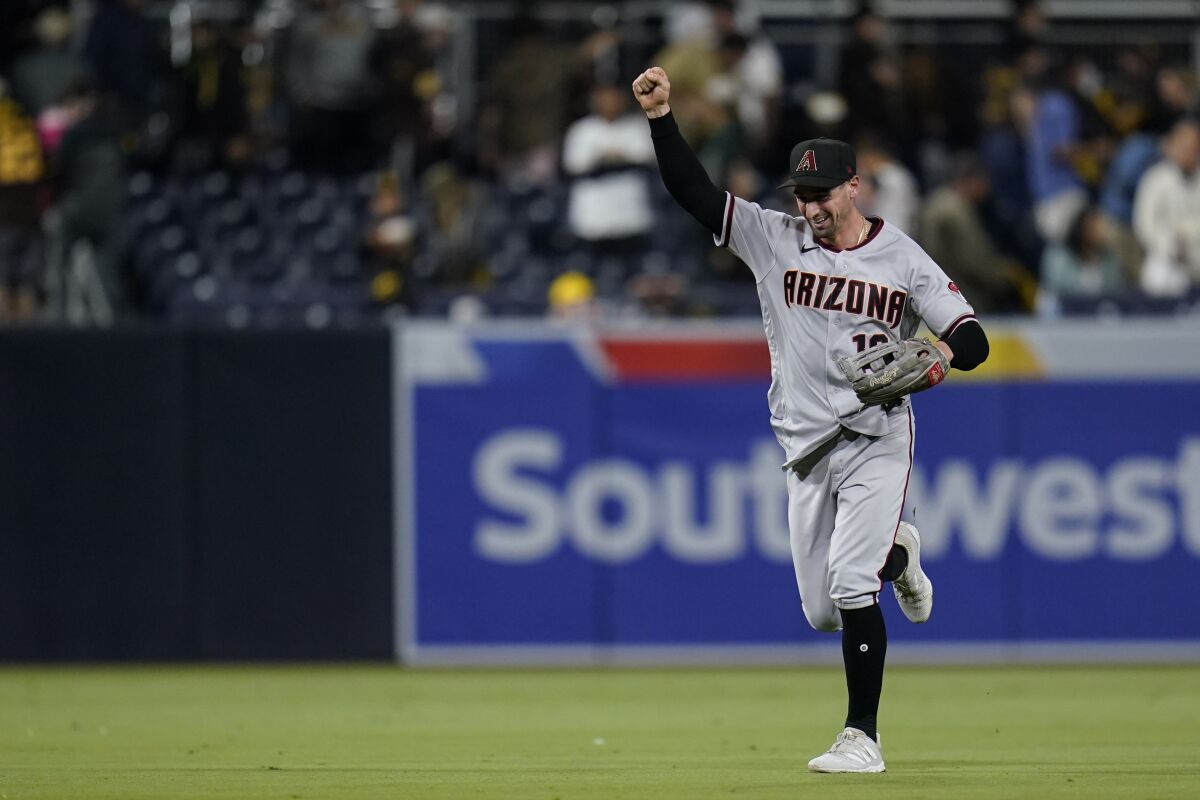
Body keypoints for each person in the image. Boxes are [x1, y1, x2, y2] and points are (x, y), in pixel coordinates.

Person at [631, 66, 989, 773]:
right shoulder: (774, 237)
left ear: (855, 185)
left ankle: (863, 737)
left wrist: (936, 356)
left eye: (823, 194)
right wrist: (662, 118)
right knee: (824, 610)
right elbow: (694, 193)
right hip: (803, 444)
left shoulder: (902, 258)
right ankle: (898, 554)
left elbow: (973, 337)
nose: (813, 207)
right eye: (803, 194)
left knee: (851, 589)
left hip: (877, 435)